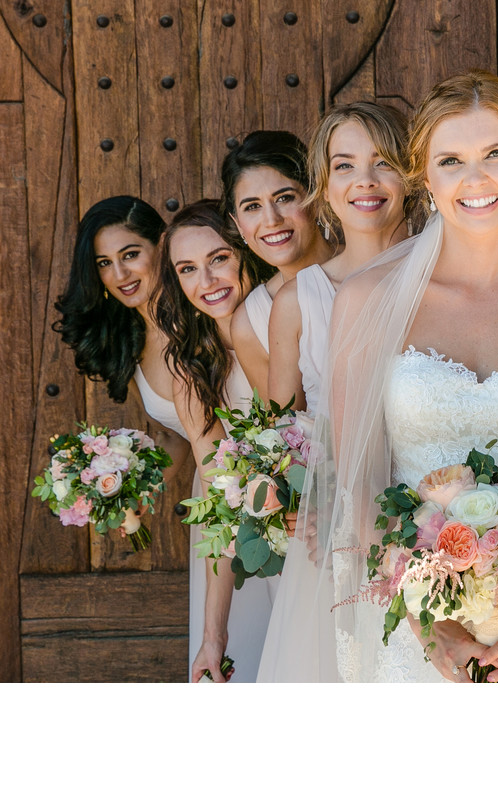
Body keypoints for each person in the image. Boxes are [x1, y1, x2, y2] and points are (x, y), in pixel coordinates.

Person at [258, 70, 498, 683]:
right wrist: (430, 622)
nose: (476, 179)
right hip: (419, 630)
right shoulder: (367, 297)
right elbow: (362, 474)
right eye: (451, 160)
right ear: (423, 175)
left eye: (495, 154)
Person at [154, 200, 276, 682]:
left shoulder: (286, 324)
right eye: (187, 269)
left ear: (245, 251)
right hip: (257, 540)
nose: (206, 282)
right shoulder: (190, 371)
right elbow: (223, 500)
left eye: (218, 258)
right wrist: (213, 637)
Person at [53, 197, 191, 540]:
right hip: (217, 500)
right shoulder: (127, 347)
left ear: (162, 245)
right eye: (104, 262)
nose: (119, 275)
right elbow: (174, 436)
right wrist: (126, 495)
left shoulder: (204, 317)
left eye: (130, 254)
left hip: (266, 485)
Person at [268, 103, 413, 413]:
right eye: (344, 166)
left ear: (410, 176)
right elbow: (279, 436)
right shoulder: (297, 301)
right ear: (324, 186)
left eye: (383, 162)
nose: (365, 180)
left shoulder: (447, 274)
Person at [222, 131, 336, 397]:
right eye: (252, 207)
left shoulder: (372, 265)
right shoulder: (250, 323)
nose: (271, 219)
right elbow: (285, 431)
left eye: (284, 198)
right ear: (238, 223)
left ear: (315, 197)